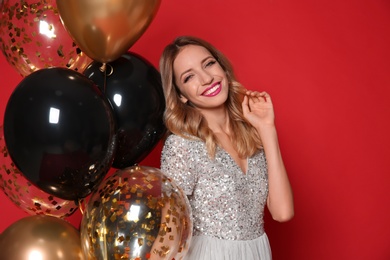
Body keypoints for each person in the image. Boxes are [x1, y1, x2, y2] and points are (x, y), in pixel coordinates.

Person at [159, 35, 294, 260]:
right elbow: (168, 229)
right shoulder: (182, 145)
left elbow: (283, 212)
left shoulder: (252, 136)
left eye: (209, 64)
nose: (206, 78)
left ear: (222, 67)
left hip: (256, 253)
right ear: (181, 95)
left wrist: (267, 129)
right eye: (189, 76)